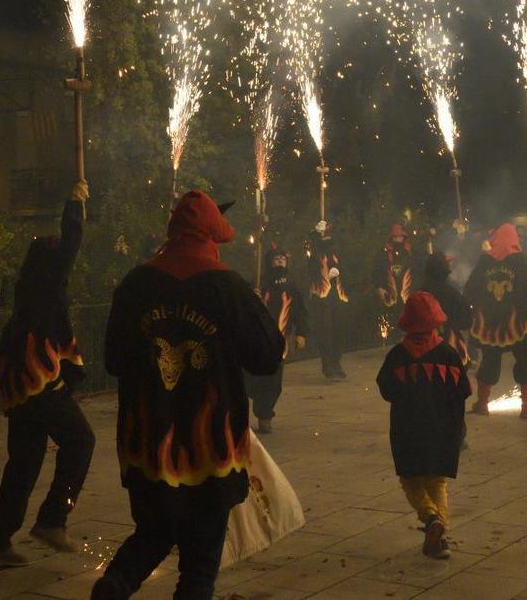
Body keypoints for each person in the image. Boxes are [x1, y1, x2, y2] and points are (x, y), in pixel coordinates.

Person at [91, 190, 284, 600]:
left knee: (154, 531)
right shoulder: (228, 287)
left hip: (148, 445)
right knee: (199, 565)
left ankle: (113, 586)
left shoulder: (135, 284)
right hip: (209, 448)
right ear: (213, 236)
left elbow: (113, 359)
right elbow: (267, 356)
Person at [0, 180, 95, 566]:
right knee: (80, 441)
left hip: (19, 378)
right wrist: (74, 208)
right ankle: (52, 519)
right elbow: (68, 251)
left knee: (25, 460)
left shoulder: (32, 287)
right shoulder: (46, 283)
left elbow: (64, 256)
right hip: (36, 375)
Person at [376, 292, 471, 560]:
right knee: (437, 481)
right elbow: (463, 390)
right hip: (443, 430)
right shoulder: (449, 355)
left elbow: (386, 389)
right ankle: (439, 536)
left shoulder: (397, 356)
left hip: (408, 430)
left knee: (411, 479)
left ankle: (431, 519)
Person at [464, 223, 527, 419]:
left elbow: (470, 291)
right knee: (526, 360)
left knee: (490, 360)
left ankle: (482, 404)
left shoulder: (485, 261)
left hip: (490, 324)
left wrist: (473, 313)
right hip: (517, 324)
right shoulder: (521, 262)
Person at [247, 245, 309, 434]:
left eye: (283, 258)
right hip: (256, 342)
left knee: (273, 383)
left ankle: (265, 415)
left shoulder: (291, 285)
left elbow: (300, 311)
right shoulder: (259, 282)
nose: (280, 261)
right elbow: (242, 307)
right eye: (276, 258)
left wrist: (302, 333)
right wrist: (251, 297)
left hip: (278, 343)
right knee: (251, 378)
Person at [308, 221, 350, 380]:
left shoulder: (337, 253)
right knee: (325, 330)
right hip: (321, 297)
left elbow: (345, 268)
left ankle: (336, 362)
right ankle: (327, 364)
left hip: (338, 296)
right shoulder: (315, 253)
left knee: (339, 329)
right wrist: (314, 235)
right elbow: (310, 255)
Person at [374, 222, 414, 312]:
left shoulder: (409, 252)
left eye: (399, 237)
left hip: (406, 294)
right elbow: (378, 270)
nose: (397, 239)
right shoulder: (385, 253)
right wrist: (379, 287)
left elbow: (414, 270)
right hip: (390, 295)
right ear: (391, 238)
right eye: (395, 237)